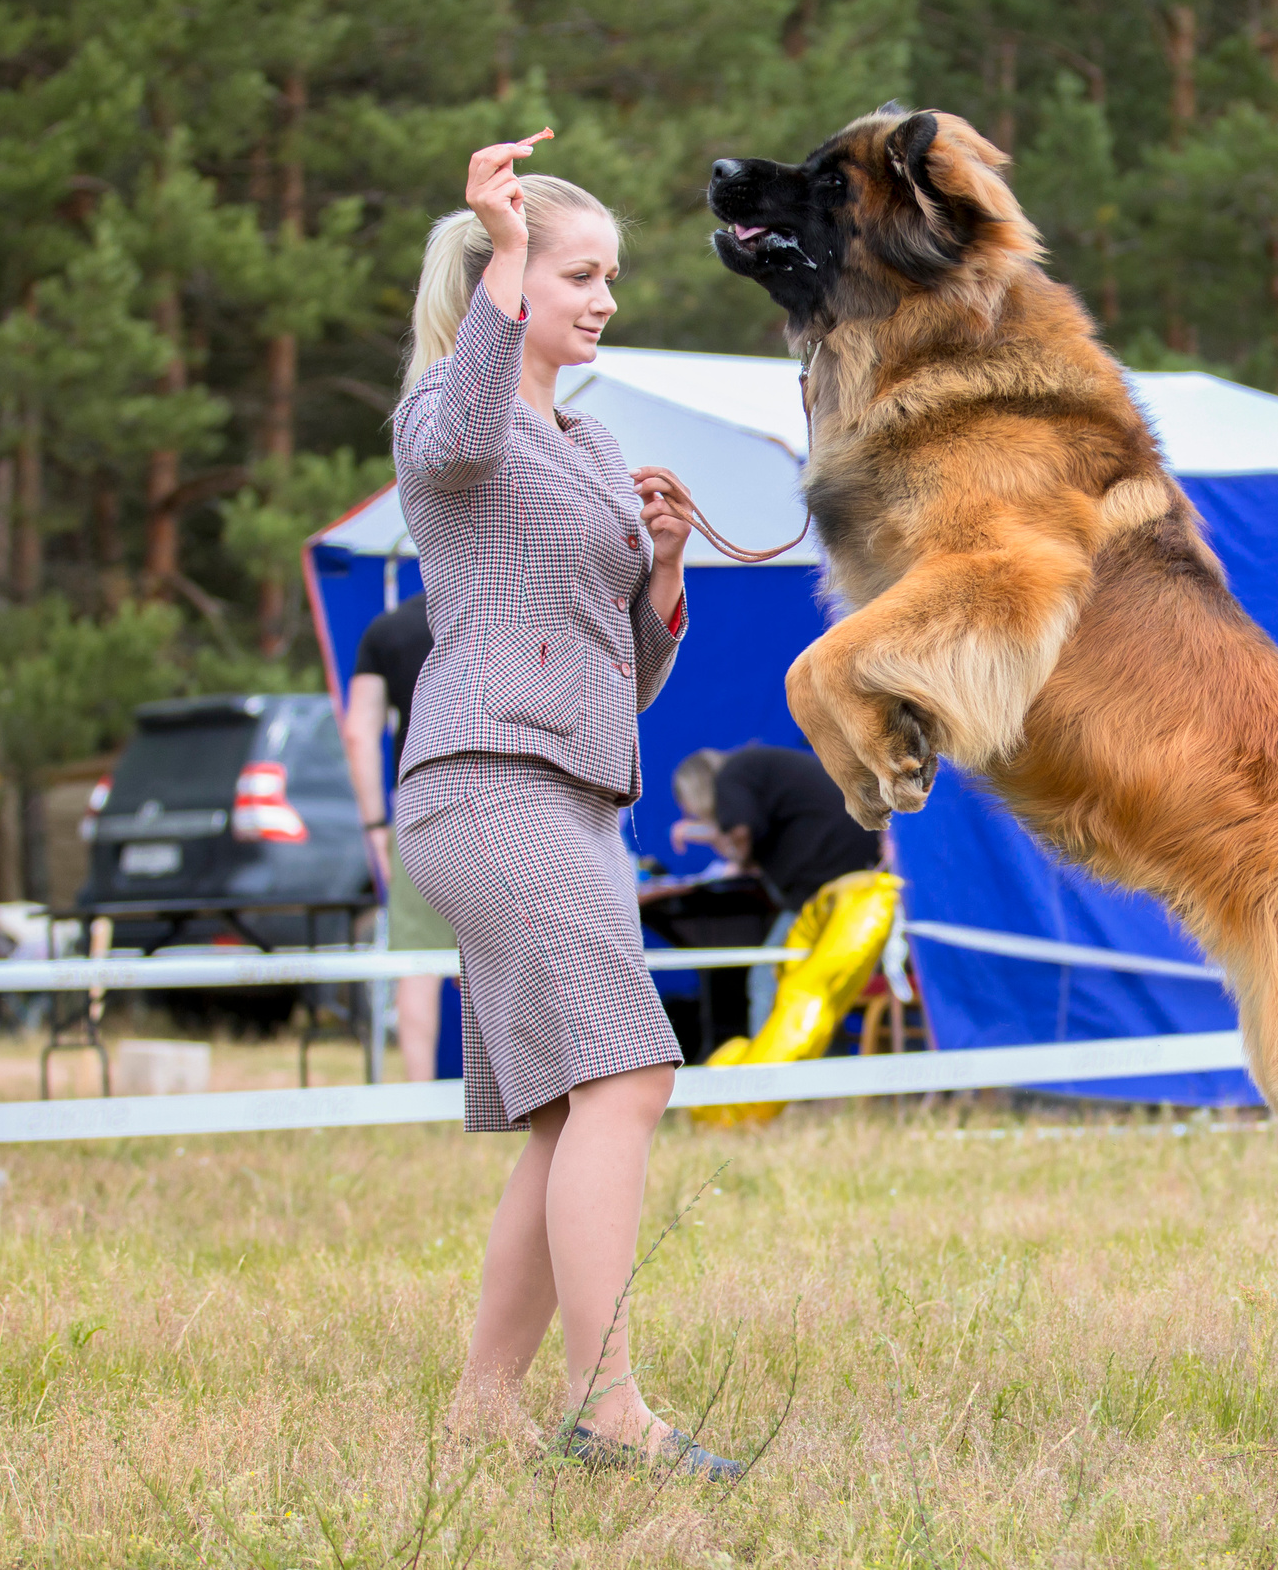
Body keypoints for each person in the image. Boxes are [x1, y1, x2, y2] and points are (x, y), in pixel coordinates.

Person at [388, 134, 738, 1480]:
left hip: (579, 792)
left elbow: (628, 675)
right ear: (510, 279)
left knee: (569, 1111)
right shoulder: (443, 414)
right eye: (580, 274)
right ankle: (612, 1409)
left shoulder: (592, 445)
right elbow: (471, 427)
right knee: (630, 1078)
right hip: (486, 781)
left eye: (610, 277)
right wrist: (505, 246)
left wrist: (659, 571)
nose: (605, 299)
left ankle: (487, 1402)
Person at [670, 744, 883, 1035]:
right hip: (851, 871)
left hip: (823, 880)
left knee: (767, 976)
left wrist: (737, 859)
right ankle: (823, 1064)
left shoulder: (731, 777)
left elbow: (740, 832)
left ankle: (768, 1077)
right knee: (812, 981)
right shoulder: (753, 773)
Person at [342, 591, 452, 1081]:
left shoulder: (387, 630)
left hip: (422, 800)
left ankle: (421, 1099)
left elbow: (359, 734)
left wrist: (375, 827)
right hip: (510, 792)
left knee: (419, 961)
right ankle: (529, 1102)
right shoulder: (509, 608)